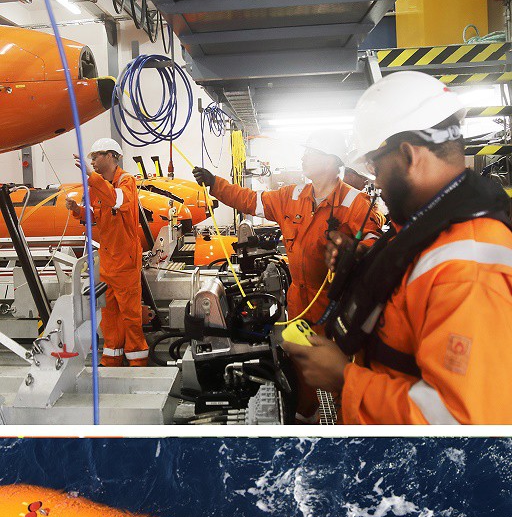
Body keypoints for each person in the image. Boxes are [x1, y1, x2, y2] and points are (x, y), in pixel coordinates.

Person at [290, 72, 512, 425]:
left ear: (408, 155)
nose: (375, 180)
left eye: (376, 166)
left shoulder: (468, 271)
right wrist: (361, 258)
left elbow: (461, 426)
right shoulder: (428, 226)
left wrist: (345, 380)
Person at [193, 131, 383, 414]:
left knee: (335, 370)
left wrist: (354, 250)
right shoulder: (292, 196)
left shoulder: (355, 203)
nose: (303, 157)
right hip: (299, 303)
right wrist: (215, 184)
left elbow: (375, 244)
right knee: (301, 366)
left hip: (334, 307)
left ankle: (339, 420)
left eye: (311, 152)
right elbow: (250, 200)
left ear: (331, 161)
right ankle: (304, 416)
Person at [65, 136, 148, 369]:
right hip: (108, 261)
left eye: (96, 156)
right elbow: (96, 217)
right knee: (109, 315)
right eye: (91, 158)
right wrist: (78, 211)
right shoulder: (97, 185)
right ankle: (111, 357)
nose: (93, 161)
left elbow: (116, 200)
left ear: (112, 156)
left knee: (131, 316)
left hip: (125, 262)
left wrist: (91, 179)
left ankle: (138, 360)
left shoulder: (126, 182)